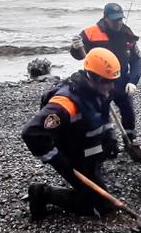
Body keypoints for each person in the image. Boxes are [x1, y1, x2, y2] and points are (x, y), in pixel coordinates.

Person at [21, 48, 122, 220]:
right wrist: (62, 164)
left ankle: (90, 177)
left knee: (97, 188)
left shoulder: (102, 89)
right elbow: (32, 133)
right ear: (93, 78)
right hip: (75, 155)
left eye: (114, 81)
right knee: (103, 207)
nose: (112, 86)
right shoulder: (66, 104)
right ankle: (44, 193)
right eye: (107, 81)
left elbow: (104, 114)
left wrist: (111, 135)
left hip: (91, 149)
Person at [70, 2, 141, 144]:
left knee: (128, 112)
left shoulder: (127, 34)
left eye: (120, 19)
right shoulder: (90, 33)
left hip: (121, 81)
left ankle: (130, 140)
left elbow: (136, 60)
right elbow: (80, 56)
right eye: (115, 19)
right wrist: (75, 48)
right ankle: (107, 143)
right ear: (105, 18)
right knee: (100, 115)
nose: (118, 22)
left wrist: (132, 81)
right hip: (98, 83)